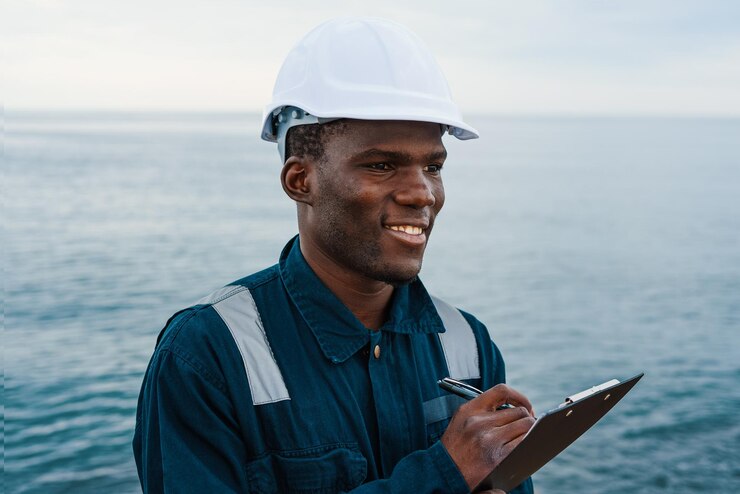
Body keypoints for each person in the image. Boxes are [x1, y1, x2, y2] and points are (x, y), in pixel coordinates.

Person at [133, 17, 535, 494]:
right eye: (382, 165)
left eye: (433, 165)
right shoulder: (206, 355)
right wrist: (442, 474)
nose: (422, 193)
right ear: (300, 181)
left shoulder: (468, 344)